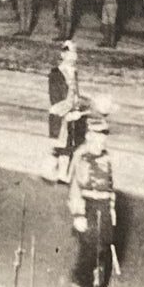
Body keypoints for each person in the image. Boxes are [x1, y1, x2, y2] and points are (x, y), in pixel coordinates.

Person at [67, 105, 116, 287]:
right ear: (89, 137)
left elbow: (109, 184)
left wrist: (111, 208)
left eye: (103, 138)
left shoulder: (106, 156)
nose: (101, 142)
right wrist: (78, 215)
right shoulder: (83, 157)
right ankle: (82, 281)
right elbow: (75, 188)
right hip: (89, 206)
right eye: (98, 138)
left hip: (103, 206)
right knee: (89, 247)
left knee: (103, 245)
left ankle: (98, 286)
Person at [46, 41, 84, 183]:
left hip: (72, 113)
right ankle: (50, 170)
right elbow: (54, 99)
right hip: (60, 115)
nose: (73, 56)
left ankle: (62, 174)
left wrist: (78, 107)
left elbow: (75, 93)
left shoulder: (74, 72)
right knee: (59, 146)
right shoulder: (56, 74)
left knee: (68, 145)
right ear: (63, 54)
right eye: (70, 53)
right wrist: (66, 113)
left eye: (75, 53)